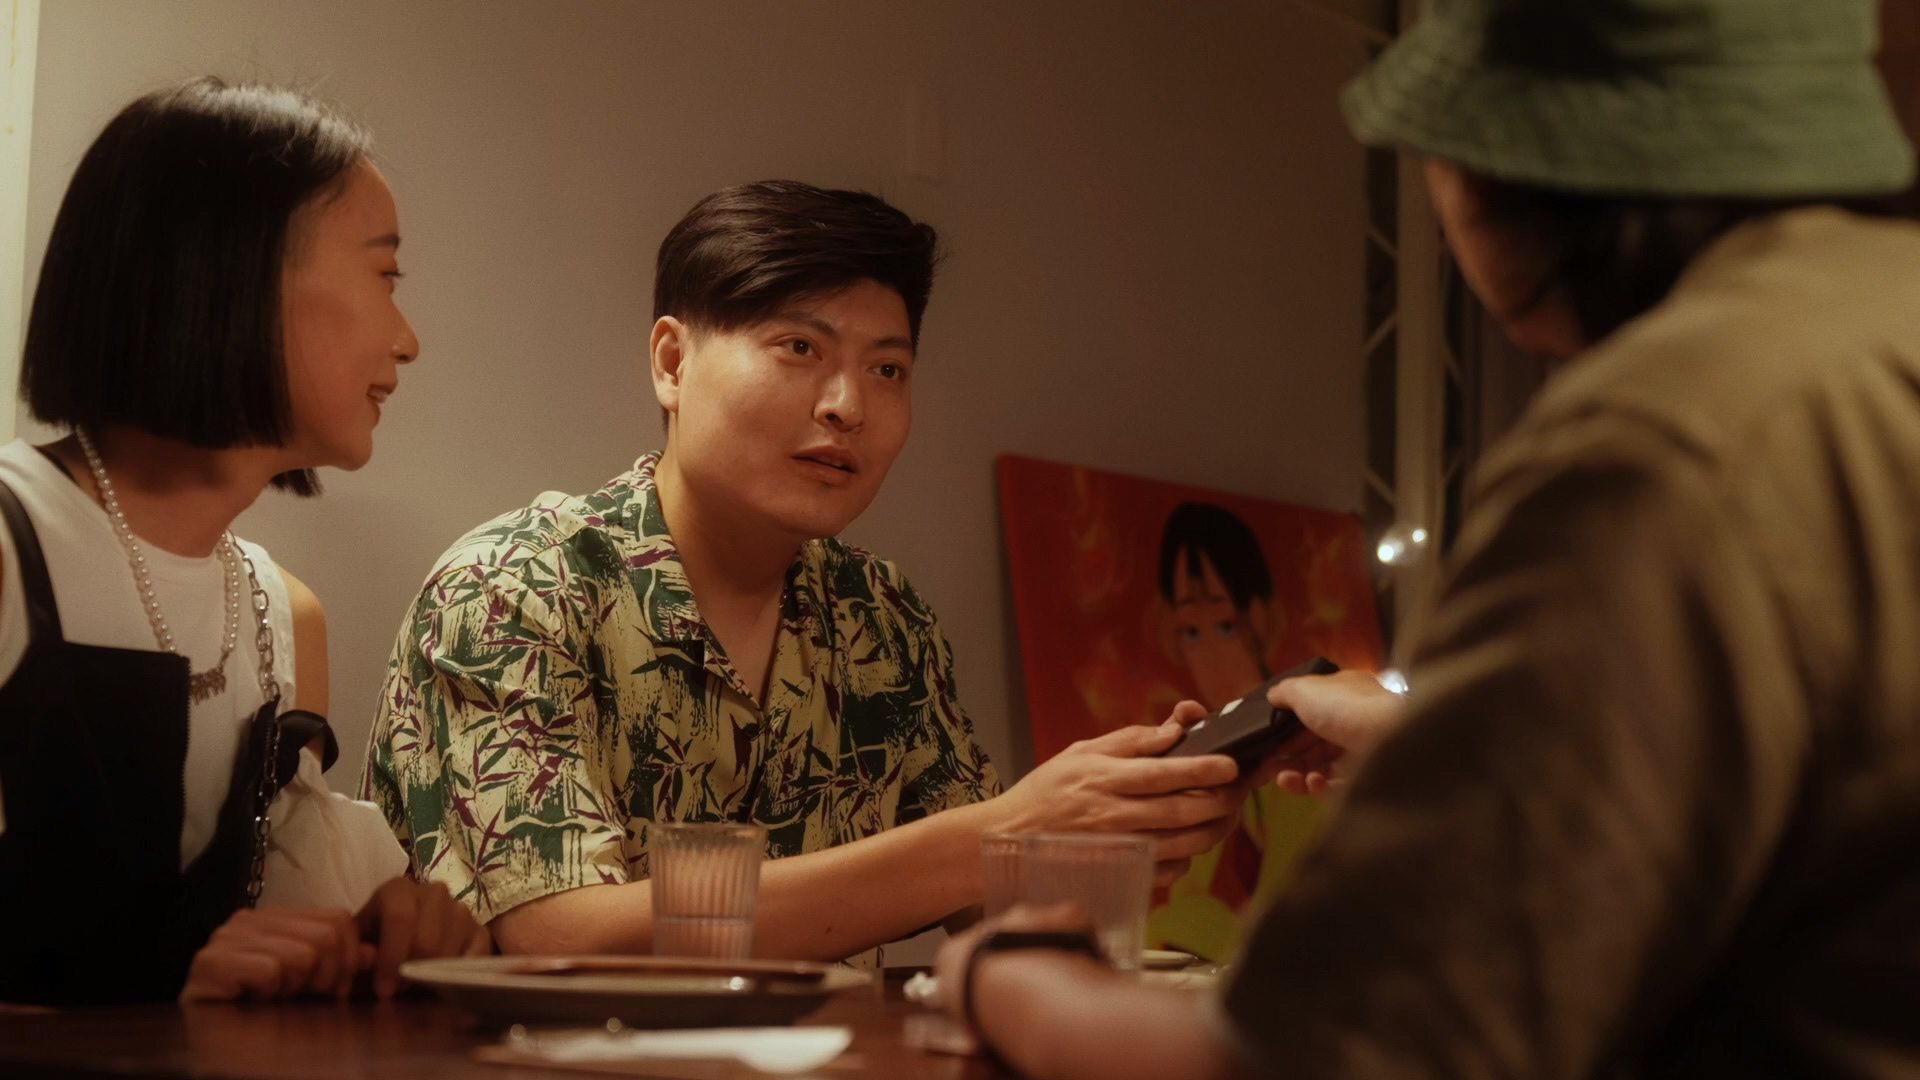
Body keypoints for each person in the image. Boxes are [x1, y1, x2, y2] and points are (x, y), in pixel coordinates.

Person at [934, 0, 1920, 1075]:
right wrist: (1443, 736)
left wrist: (1009, 972)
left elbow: (1323, 1062)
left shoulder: (1665, 432)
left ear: (1486, 171)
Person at [361, 180, 1264, 963]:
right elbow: (559, 938)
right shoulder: (515, 586)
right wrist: (1006, 829)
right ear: (672, 361)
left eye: (888, 368)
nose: (848, 406)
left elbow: (992, 906)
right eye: (800, 349)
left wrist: (1129, 828)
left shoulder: (880, 616)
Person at [0, 77, 487, 1008]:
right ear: (237, 271)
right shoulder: (11, 549)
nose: (407, 339)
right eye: (385, 276)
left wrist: (369, 936)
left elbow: (255, 937)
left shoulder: (281, 614)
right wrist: (158, 991)